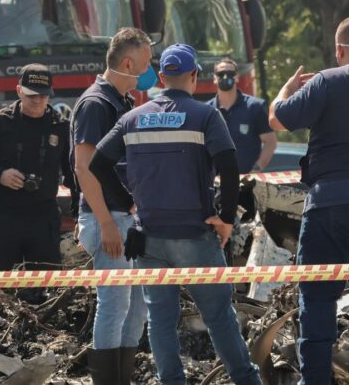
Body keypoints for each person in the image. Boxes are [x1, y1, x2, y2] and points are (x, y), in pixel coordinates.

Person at [90, 44, 262, 385]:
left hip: (149, 237)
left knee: (160, 320)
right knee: (219, 317)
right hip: (195, 235)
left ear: (162, 76)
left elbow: (97, 163)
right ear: (195, 76)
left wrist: (127, 202)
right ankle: (246, 380)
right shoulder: (206, 116)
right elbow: (229, 166)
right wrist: (226, 218)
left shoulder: (132, 118)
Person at [269, 16, 349, 385]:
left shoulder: (326, 80)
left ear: (339, 51)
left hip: (332, 205)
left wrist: (286, 90)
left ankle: (317, 380)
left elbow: (277, 119)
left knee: (319, 296)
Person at [70, 27, 153, 384]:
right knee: (115, 306)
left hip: (123, 219)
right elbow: (83, 167)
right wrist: (101, 221)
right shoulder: (96, 104)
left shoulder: (121, 102)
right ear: (128, 62)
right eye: (147, 64)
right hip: (111, 219)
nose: (150, 71)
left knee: (135, 311)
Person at [0, 64, 75, 274]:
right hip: (4, 215)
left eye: (43, 96)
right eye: (31, 95)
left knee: (45, 289)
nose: (37, 100)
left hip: (43, 217)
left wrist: (80, 212)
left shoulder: (60, 127)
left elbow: (75, 173)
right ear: (19, 91)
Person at [207, 57, 277, 173]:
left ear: (237, 77)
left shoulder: (255, 107)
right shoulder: (207, 111)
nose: (225, 77)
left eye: (230, 73)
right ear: (214, 78)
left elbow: (270, 142)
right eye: (221, 74)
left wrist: (256, 169)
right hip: (214, 184)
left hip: (247, 184)